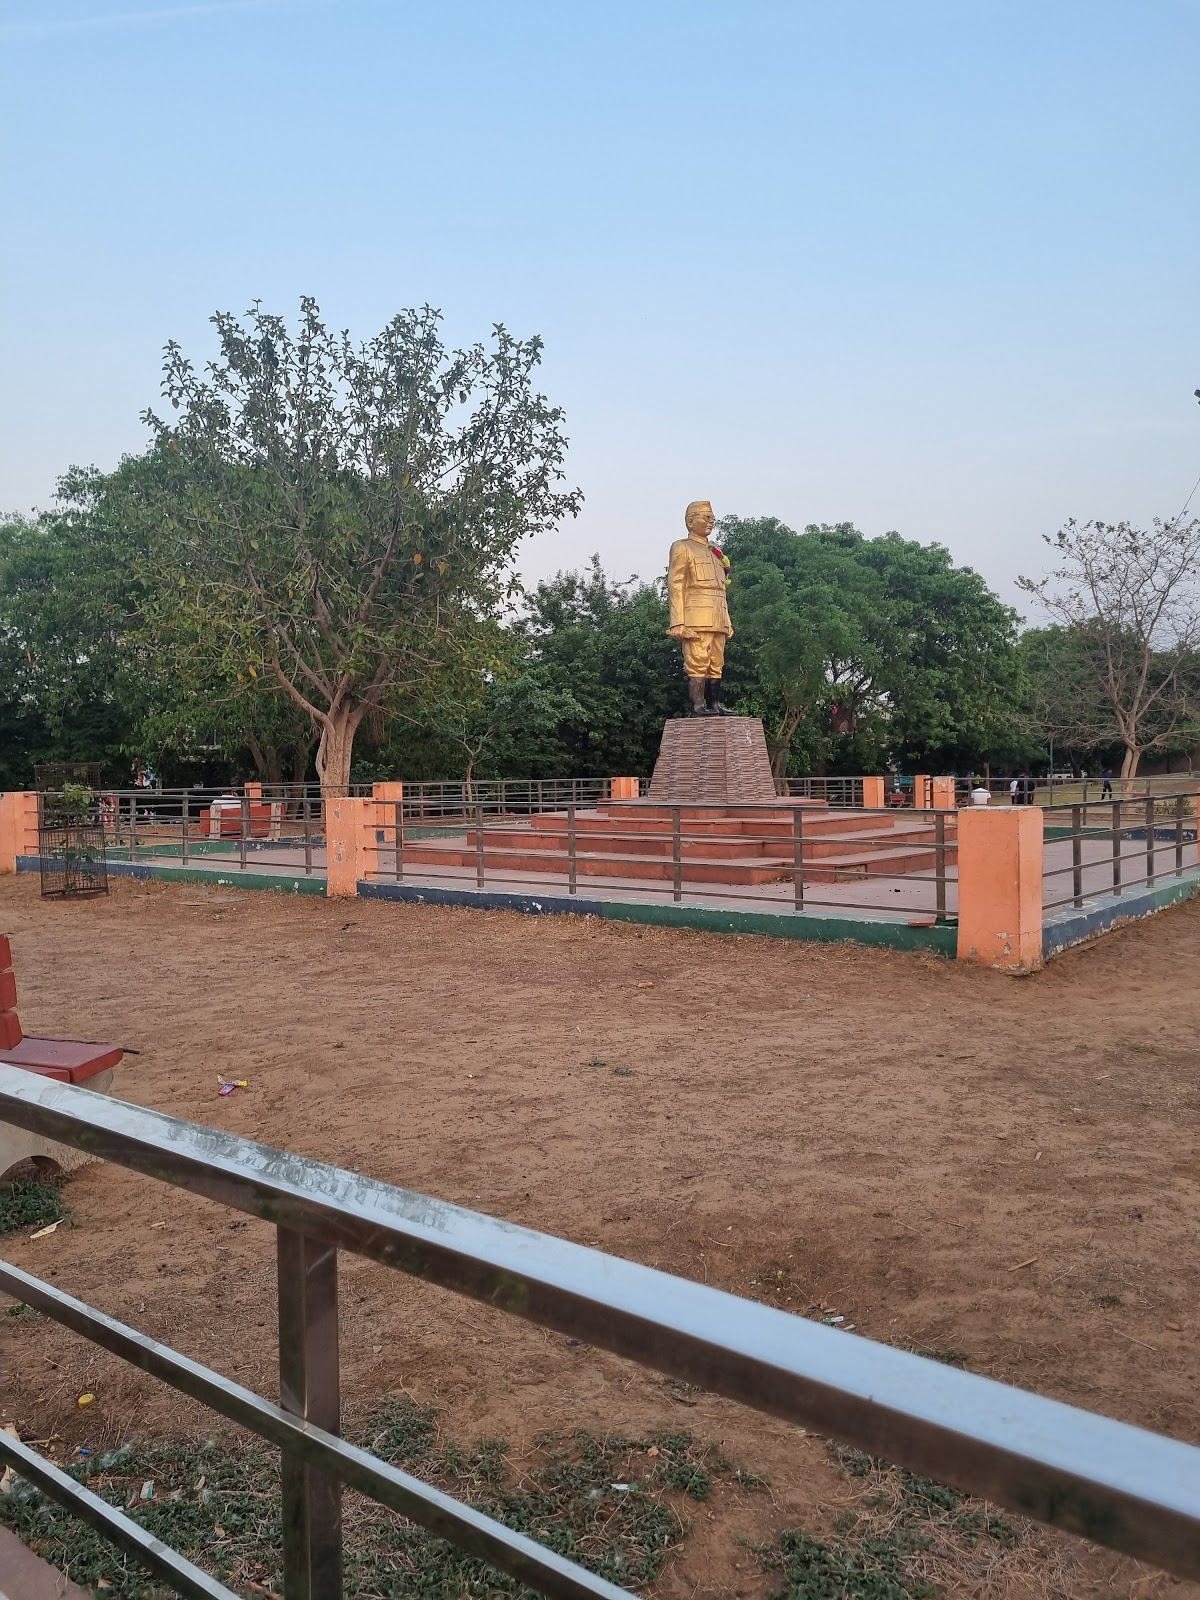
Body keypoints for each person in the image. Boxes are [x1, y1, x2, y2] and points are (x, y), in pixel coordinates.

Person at [667, 500, 734, 716]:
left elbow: (721, 590)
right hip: (696, 617)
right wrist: (677, 621)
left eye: (712, 517)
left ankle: (714, 705)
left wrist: (727, 621)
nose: (711, 521)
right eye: (706, 517)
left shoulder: (715, 553)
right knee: (698, 662)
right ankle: (698, 707)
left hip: (718, 617)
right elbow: (676, 584)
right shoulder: (682, 547)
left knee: (717, 663)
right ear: (690, 522)